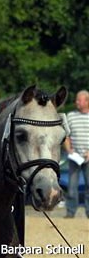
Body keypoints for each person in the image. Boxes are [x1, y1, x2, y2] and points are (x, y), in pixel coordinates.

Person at [64, 90, 89, 218]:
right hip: (75, 157)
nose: (77, 102)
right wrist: (68, 149)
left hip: (88, 157)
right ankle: (70, 212)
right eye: (77, 100)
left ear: (87, 101)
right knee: (72, 186)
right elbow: (66, 135)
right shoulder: (71, 116)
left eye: (80, 100)